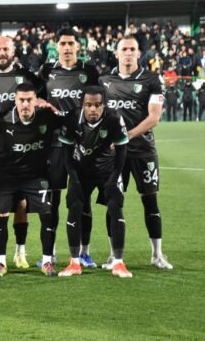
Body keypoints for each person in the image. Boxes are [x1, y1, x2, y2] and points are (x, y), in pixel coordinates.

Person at [99, 35, 173, 270]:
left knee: (150, 201)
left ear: (139, 53)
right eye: (124, 49)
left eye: (132, 49)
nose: (128, 53)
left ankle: (157, 254)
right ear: (117, 53)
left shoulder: (151, 79)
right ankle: (113, 255)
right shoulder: (104, 80)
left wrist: (126, 135)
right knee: (113, 203)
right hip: (114, 155)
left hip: (143, 151)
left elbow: (154, 117)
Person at [0, 35, 45, 270]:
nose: (2, 53)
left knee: (21, 202)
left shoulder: (24, 76)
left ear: (14, 51)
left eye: (6, 49)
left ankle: (20, 252)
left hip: (18, 149)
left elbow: (40, 91)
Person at [38, 27, 99, 268]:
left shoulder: (89, 71)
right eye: (62, 43)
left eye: (71, 43)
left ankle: (84, 252)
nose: (66, 47)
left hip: (82, 144)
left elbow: (98, 102)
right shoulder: (46, 71)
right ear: (56, 46)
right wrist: (43, 104)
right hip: (53, 144)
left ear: (78, 46)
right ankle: (50, 253)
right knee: (52, 199)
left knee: (82, 199)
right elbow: (36, 98)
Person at [58, 86, 132, 278]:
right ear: (82, 105)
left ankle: (118, 262)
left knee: (115, 206)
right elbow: (66, 154)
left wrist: (113, 179)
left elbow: (122, 152)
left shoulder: (114, 118)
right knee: (74, 206)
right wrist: (74, 179)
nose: (93, 109)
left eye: (97, 105)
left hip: (108, 170)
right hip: (81, 170)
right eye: (88, 105)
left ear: (103, 105)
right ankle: (74, 262)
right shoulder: (72, 118)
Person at [0, 82, 60, 277]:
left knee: (47, 214)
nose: (25, 104)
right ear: (15, 100)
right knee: (1, 216)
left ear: (36, 100)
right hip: (8, 177)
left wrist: (54, 109)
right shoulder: (4, 120)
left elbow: (69, 122)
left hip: (37, 176)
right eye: (21, 100)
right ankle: (1, 263)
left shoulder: (46, 117)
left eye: (29, 100)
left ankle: (47, 262)